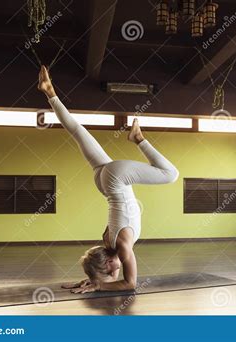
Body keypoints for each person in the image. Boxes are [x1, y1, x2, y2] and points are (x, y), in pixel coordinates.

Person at [37, 66, 179, 293]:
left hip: (116, 178)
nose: (115, 272)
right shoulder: (106, 240)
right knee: (77, 131)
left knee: (171, 175)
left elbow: (130, 284)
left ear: (107, 262)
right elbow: (112, 270)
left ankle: (139, 139)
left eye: (109, 271)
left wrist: (98, 286)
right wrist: (94, 279)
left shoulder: (122, 246)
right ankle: (50, 92)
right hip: (102, 180)